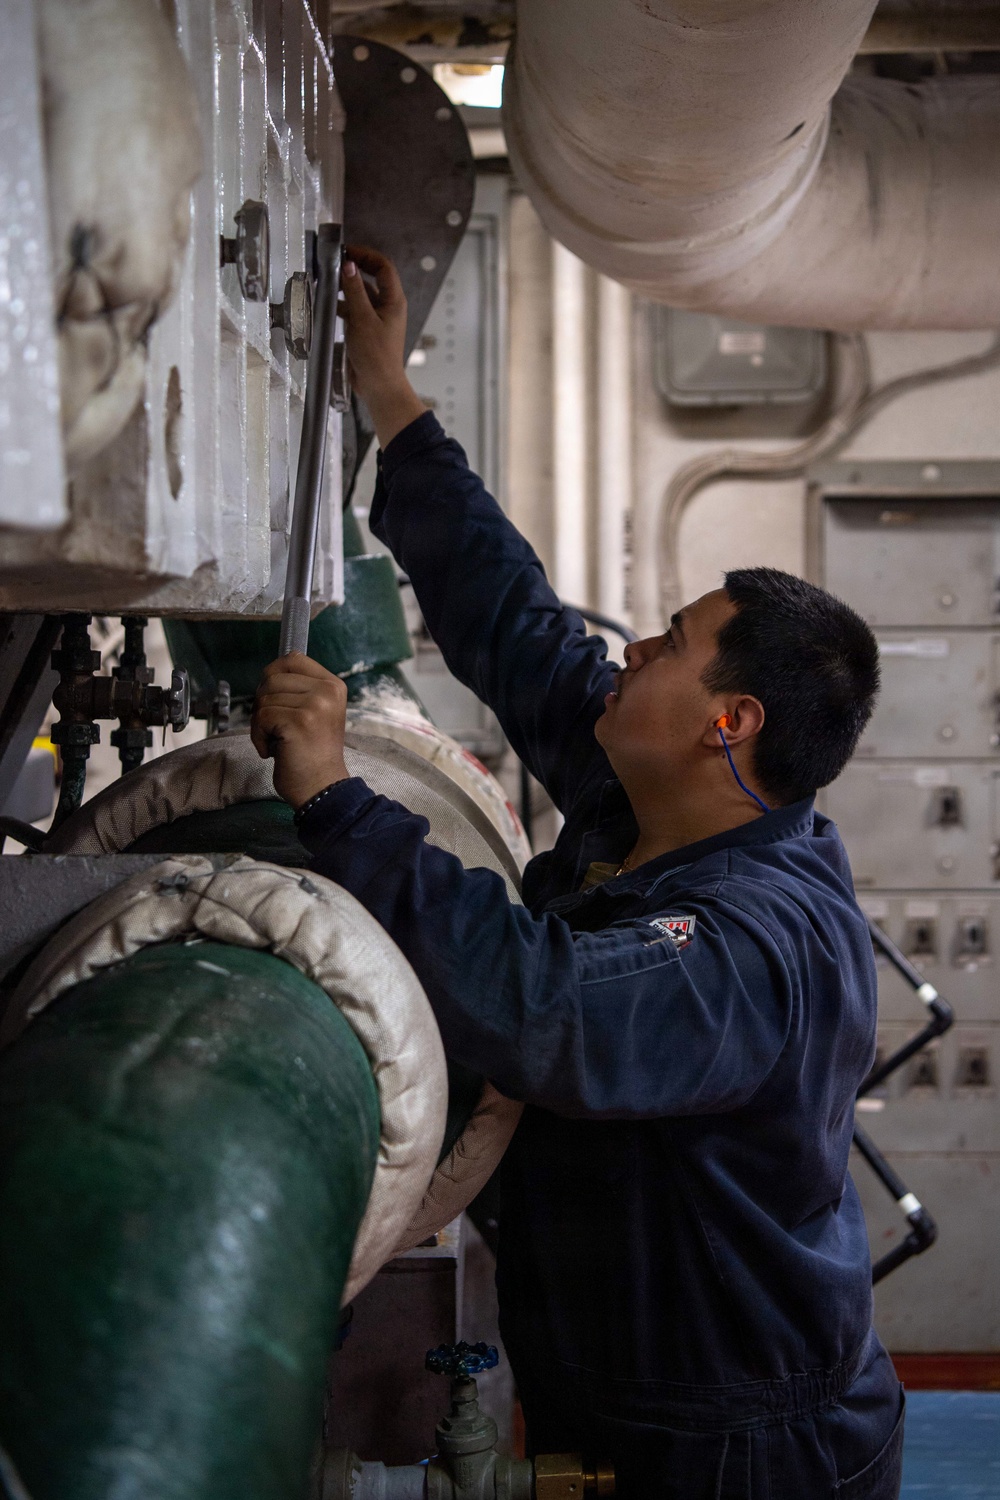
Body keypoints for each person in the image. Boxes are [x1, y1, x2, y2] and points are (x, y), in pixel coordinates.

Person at [252, 249, 904, 1499]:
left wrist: (338, 799)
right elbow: (515, 620)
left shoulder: (756, 950)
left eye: (668, 644)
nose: (633, 651)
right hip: (627, 1396)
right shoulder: (648, 792)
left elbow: (545, 1005)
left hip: (743, 1451)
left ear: (733, 721)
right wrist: (394, 402)